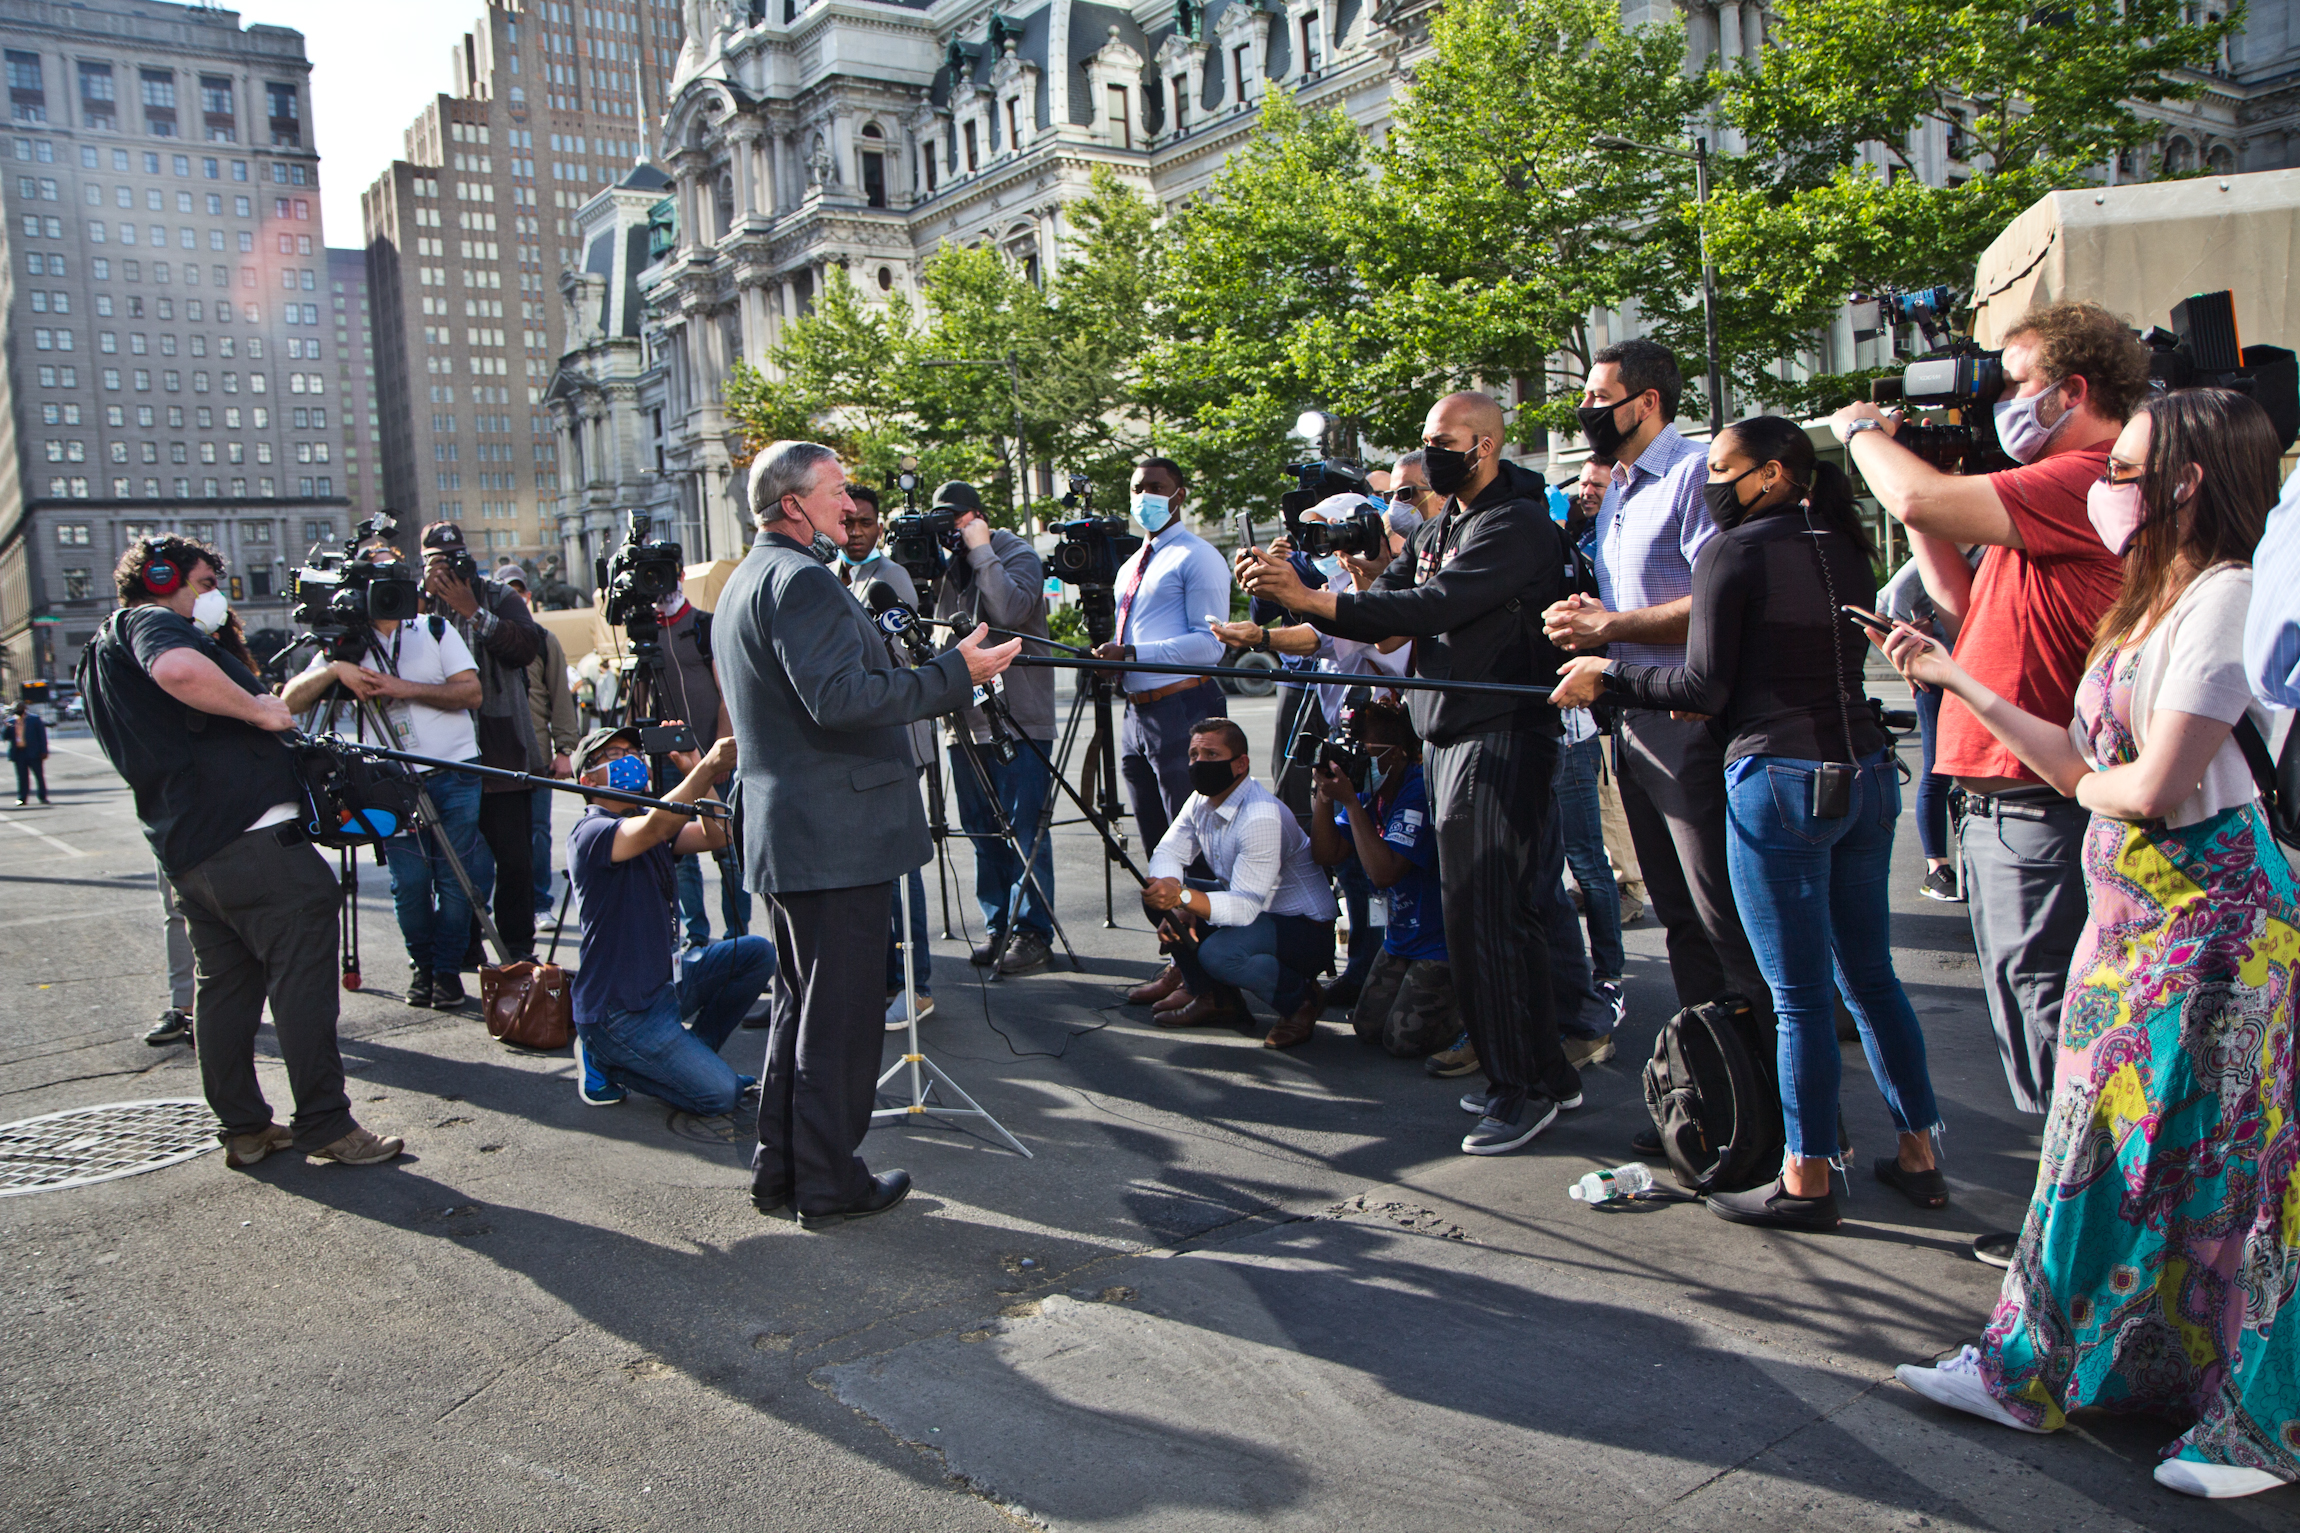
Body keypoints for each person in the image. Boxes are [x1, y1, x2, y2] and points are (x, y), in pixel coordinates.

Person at [1881, 388, 2296, 1503]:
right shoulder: (2154, 601)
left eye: (2120, 468)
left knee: (2221, 1165)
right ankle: (2059, 1368)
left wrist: (2092, 787)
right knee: (2120, 1146)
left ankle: (2248, 1420)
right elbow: (2079, 761)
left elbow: (2146, 787)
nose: (2102, 485)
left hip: (2215, 928)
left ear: (2184, 481)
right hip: (2143, 925)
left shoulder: (2223, 596)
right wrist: (1954, 676)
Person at [1555, 416, 1945, 1230]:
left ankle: (1806, 1176)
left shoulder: (1732, 552)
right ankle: (1920, 1152)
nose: (1708, 485)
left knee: (1796, 996)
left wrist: (1608, 677)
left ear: (1771, 474)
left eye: (1721, 470)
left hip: (1781, 779)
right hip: (1868, 772)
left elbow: (1701, 686)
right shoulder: (1844, 542)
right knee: (1870, 978)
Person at [1241, 391, 1581, 1155]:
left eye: (1442, 442)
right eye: (1427, 440)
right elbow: (1385, 617)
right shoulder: (1443, 523)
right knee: (1492, 917)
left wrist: (1307, 596)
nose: (1430, 455)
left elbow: (1429, 608)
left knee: (1490, 917)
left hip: (1502, 736)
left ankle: (1522, 1085)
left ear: (1485, 445)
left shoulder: (1515, 523)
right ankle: (1540, 1070)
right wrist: (1294, 591)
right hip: (1451, 737)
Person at [1829, 301, 2143, 1122]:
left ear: (2074, 391)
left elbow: (1919, 499)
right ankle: (2071, 1181)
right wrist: (1927, 500)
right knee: (2032, 1005)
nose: (2000, 402)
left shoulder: (2089, 475)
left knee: (2052, 1012)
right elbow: (1963, 602)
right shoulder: (2049, 492)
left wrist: (1863, 432)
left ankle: (2082, 1189)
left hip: (2037, 801)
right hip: (2008, 803)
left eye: (2014, 383)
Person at [716, 439, 1021, 1228]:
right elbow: (841, 699)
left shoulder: (751, 576)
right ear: (793, 503)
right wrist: (956, 674)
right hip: (833, 835)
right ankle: (828, 1181)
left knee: (801, 1009)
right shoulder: (802, 580)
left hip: (799, 830)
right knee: (839, 1019)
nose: (851, 505)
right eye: (838, 491)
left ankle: (784, 1170)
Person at [77, 534, 401, 1167]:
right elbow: (177, 671)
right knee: (302, 982)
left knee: (224, 990)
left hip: (190, 851)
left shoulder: (100, 649)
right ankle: (326, 1123)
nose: (214, 598)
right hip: (253, 845)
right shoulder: (150, 623)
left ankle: (246, 1128)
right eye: (204, 584)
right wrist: (258, 710)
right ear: (162, 578)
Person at [1543, 341, 1773, 1042]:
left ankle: (1773, 1079)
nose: (1585, 408)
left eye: (1598, 396)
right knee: (1678, 914)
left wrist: (1610, 625)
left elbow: (1721, 604)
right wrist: (1594, 619)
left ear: (1647, 402)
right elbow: (1640, 603)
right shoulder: (1619, 486)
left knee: (1720, 913)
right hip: (1633, 720)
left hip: (1688, 722)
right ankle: (1710, 1071)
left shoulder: (1693, 474)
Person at [1214, 491, 1422, 1014]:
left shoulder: (1400, 588)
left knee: (1394, 866)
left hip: (1397, 752)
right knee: (1351, 866)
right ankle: (1364, 968)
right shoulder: (1335, 589)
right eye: (1316, 538)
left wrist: (1292, 610)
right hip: (1349, 745)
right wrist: (1262, 635)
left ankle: (1399, 965)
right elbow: (1316, 638)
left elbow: (1367, 634)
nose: (1326, 549)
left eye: (1329, 534)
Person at [282, 538, 486, 1011]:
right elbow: (289, 702)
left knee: (456, 880)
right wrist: (336, 669)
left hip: (454, 771)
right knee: (409, 882)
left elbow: (471, 693)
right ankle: (423, 966)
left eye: (393, 580)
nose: (386, 591)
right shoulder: (345, 643)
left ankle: (447, 971)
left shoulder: (434, 629)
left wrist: (401, 687)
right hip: (387, 781)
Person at [564, 725, 773, 1115]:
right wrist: (707, 769)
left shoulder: (647, 819)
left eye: (632, 752)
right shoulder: (591, 832)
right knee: (721, 1095)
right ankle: (606, 1059)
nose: (629, 760)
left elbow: (718, 835)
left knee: (756, 953)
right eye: (614, 755)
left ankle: (692, 1056)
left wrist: (694, 767)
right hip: (620, 1011)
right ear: (587, 780)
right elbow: (655, 828)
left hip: (665, 986)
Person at [1093, 457, 1234, 1011]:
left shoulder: (1197, 556)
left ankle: (1215, 982)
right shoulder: (1133, 562)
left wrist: (1132, 653)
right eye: (1137, 487)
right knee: (1160, 852)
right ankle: (1183, 966)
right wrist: (1116, 664)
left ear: (1180, 494)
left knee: (1194, 849)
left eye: (1156, 487)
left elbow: (1211, 644)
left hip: (1184, 710)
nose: (1144, 496)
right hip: (1137, 716)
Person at [928, 479, 1059, 977]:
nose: (951, 531)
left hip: (1018, 719)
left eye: (957, 519)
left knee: (1025, 831)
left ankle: (1033, 932)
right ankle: (998, 924)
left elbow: (1008, 610)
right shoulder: (948, 569)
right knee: (983, 830)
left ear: (978, 517)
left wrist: (982, 549)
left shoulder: (1014, 551)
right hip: (965, 723)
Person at [1140, 719, 1339, 1047]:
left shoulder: (1261, 816)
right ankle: (1215, 999)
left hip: (1303, 928)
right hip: (1258, 910)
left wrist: (1184, 899)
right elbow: (1168, 852)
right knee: (1155, 895)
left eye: (1211, 754)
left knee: (1220, 954)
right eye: (1194, 755)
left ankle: (1300, 1001)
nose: (1199, 763)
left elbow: (1245, 907)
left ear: (1241, 764)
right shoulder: (1201, 799)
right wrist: (1175, 898)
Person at [829, 486, 939, 1024]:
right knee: (870, 865)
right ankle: (886, 975)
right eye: (848, 522)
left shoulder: (889, 578)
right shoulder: (831, 574)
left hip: (897, 736)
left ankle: (915, 984)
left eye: (865, 523)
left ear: (880, 527)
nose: (855, 532)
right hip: (859, 739)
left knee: (899, 864)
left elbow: (892, 661)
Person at [420, 522, 545, 964]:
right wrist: (425, 598)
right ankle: (464, 948)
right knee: (456, 863)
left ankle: (518, 949)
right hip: (441, 750)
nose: (449, 568)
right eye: (438, 561)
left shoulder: (498, 595)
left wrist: (472, 610)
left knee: (514, 860)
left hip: (500, 747)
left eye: (456, 557)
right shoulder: (415, 605)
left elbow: (527, 648)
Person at [1304, 698, 1455, 1058]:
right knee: (1367, 1026)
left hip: (1439, 941)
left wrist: (1350, 803)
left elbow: (1384, 873)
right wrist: (1325, 796)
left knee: (1402, 1040)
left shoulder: (1416, 791)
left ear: (1398, 753)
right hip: (1401, 938)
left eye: (1366, 752)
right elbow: (1326, 854)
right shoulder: (1371, 793)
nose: (1358, 760)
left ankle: (1470, 1012)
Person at [1877, 550, 1978, 901]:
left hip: (1979, 671)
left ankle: (1972, 861)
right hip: (1936, 678)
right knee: (1938, 770)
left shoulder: (1991, 546)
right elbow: (1880, 611)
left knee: (1975, 769)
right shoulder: (1935, 553)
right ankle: (1936, 868)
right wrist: (1904, 667)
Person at [498, 564, 581, 925]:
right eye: (508, 592)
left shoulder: (544, 640)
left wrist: (565, 750)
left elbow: (561, 697)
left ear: (528, 596)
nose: (516, 598)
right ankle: (496, 907)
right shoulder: (487, 638)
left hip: (536, 754)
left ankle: (539, 903)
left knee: (537, 833)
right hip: (496, 754)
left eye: (519, 591)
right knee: (496, 837)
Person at [10, 698, 49, 805]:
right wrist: (6, 728)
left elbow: (42, 736)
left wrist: (44, 750)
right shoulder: (11, 721)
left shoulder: (34, 719)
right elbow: (6, 737)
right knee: (22, 778)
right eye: (15, 708)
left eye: (19, 708)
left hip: (34, 752)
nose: (18, 710)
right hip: (19, 753)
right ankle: (22, 798)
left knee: (39, 776)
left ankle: (42, 797)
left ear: (24, 708)